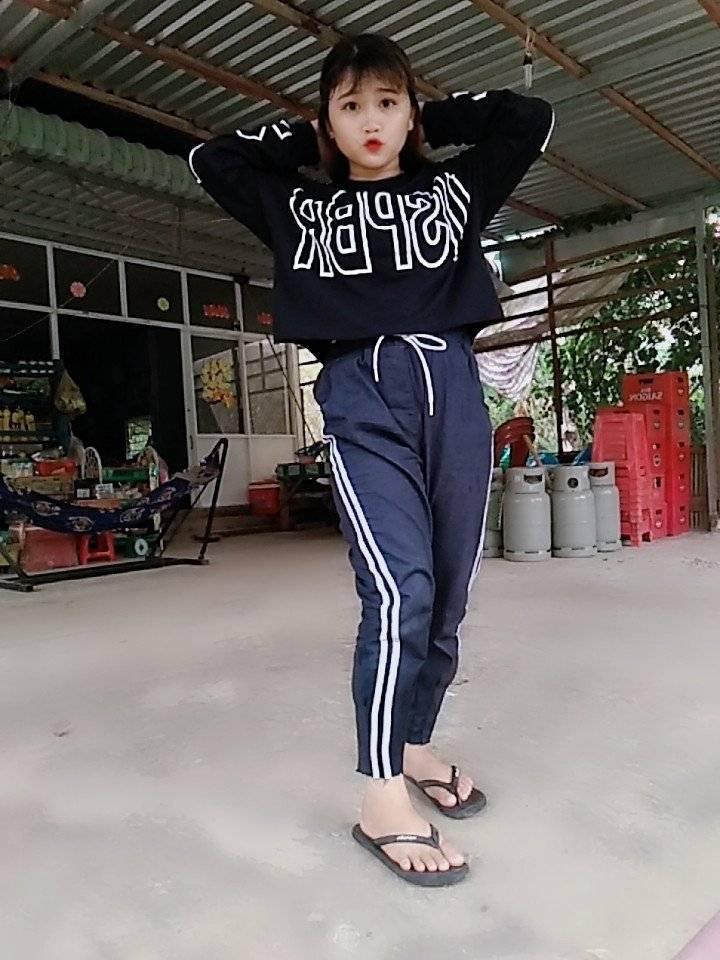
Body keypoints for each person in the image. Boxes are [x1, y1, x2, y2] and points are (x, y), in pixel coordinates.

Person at [189, 32, 554, 887]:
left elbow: (529, 118)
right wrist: (313, 135)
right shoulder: (302, 208)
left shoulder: (452, 191)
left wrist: (428, 117)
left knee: (448, 592)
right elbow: (211, 159)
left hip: (454, 390)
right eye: (351, 106)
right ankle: (381, 795)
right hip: (364, 394)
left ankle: (415, 742)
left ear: (409, 111)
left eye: (387, 102)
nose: (372, 121)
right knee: (399, 590)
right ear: (329, 121)